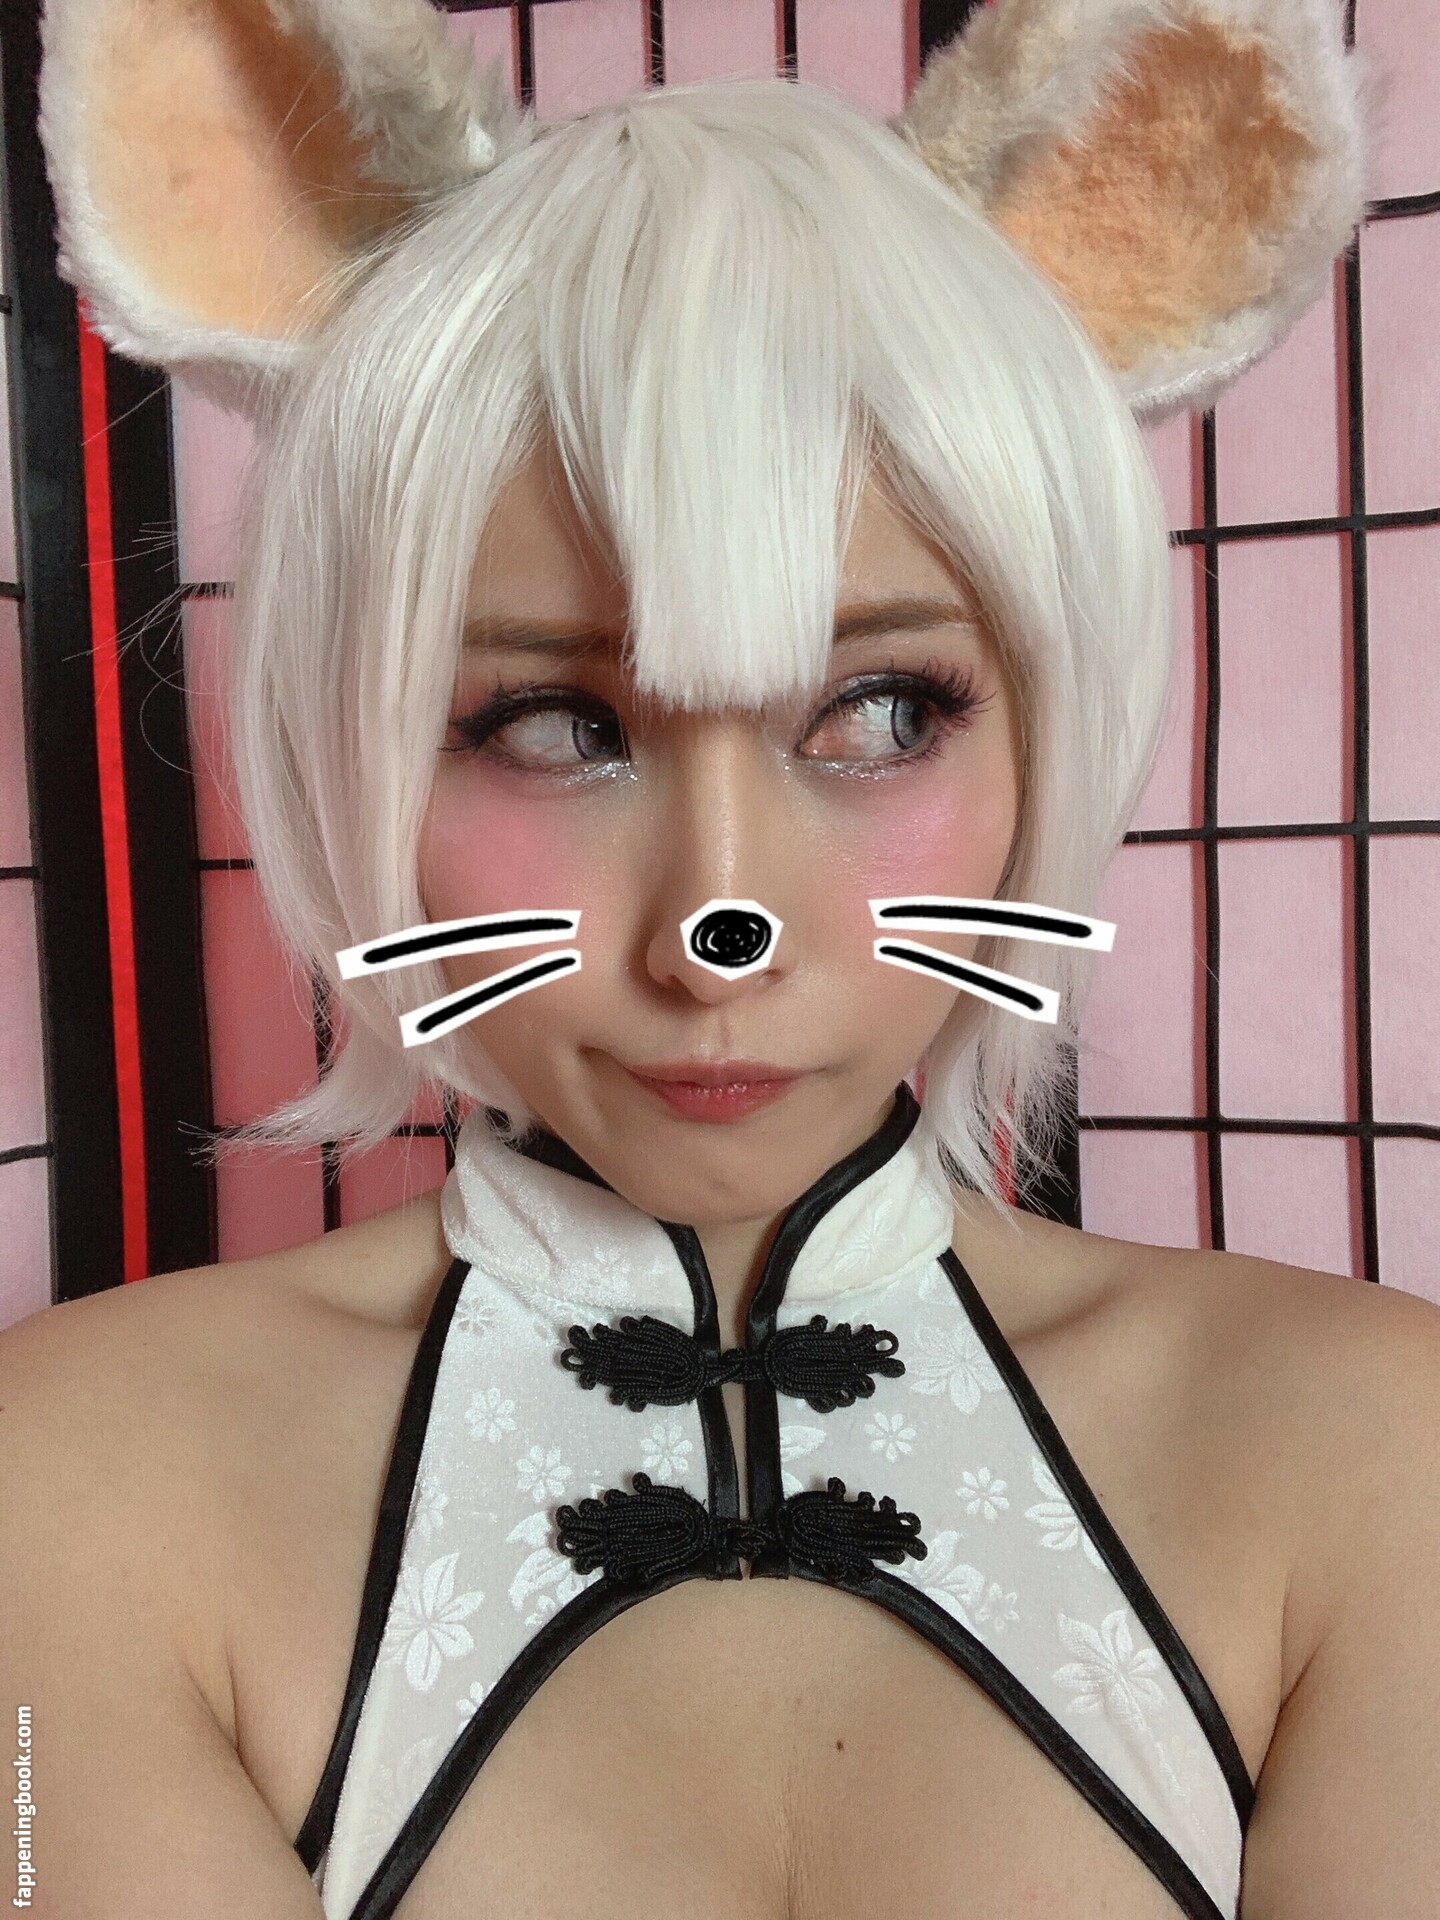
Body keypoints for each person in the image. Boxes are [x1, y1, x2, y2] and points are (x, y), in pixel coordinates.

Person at [4, 1, 1437, 1915]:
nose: (719, 927)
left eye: (882, 713)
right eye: (552, 724)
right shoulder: (68, 1479)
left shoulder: (1380, 1453)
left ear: (1049, 719)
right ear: (361, 740)